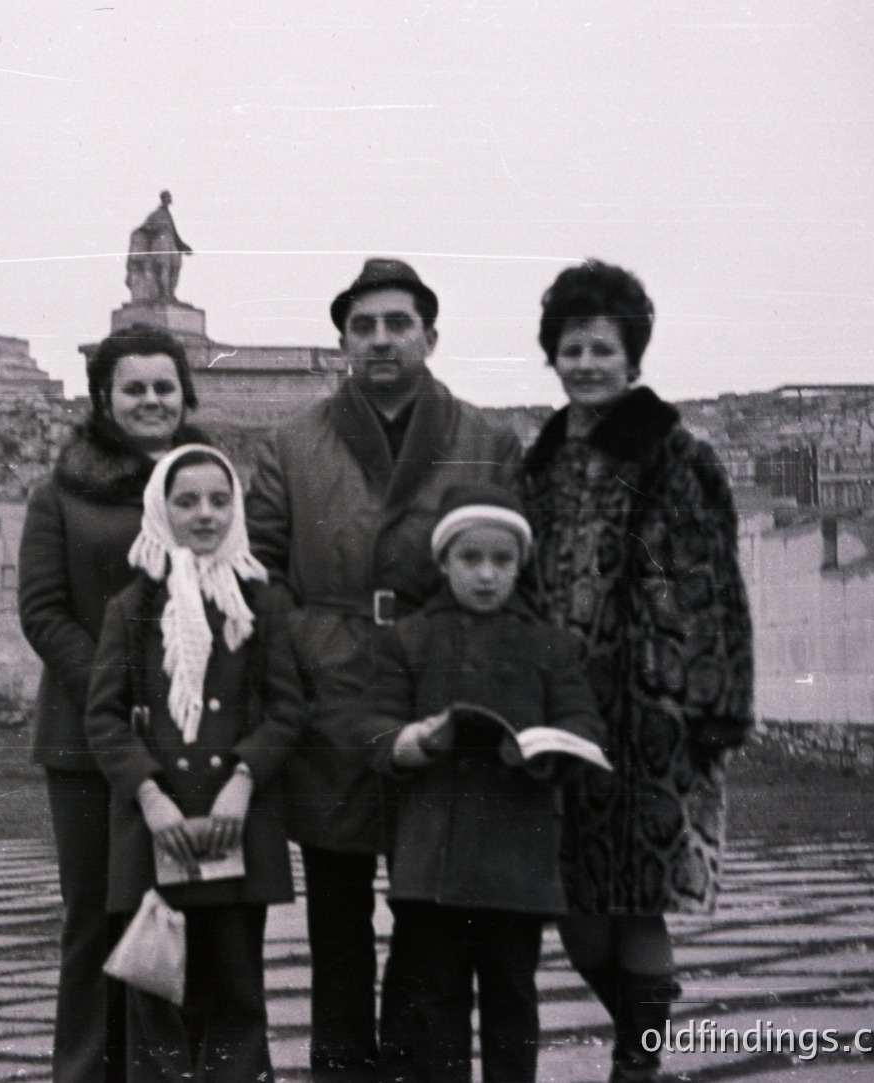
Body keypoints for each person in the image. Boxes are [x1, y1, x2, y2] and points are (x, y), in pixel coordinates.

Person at [246, 258, 524, 1082]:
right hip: (327, 693)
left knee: (429, 909)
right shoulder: (292, 444)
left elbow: (512, 571)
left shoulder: (484, 440)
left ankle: (417, 1068)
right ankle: (340, 1067)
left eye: (397, 323)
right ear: (341, 341)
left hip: (436, 694)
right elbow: (258, 570)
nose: (379, 339)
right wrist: (304, 646)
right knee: (335, 912)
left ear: (429, 335)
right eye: (362, 326)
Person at [520, 260, 755, 1083]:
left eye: (602, 349)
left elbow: (699, 584)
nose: (585, 363)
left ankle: (637, 1067)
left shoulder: (670, 455)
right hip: (559, 720)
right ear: (552, 355)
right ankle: (644, 1042)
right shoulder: (540, 462)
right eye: (571, 348)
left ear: (633, 358)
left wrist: (699, 704)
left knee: (637, 898)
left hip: (649, 712)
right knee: (579, 912)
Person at [357, 484, 608, 1083]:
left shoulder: (548, 644)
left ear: (522, 565)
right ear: (444, 563)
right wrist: (415, 739)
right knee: (435, 1006)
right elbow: (370, 727)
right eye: (471, 560)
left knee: (512, 1002)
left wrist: (544, 750)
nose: (488, 575)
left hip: (516, 861)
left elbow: (583, 725)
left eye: (503, 561)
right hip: (431, 862)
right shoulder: (409, 638)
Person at [18, 324, 209, 1083]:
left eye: (164, 386)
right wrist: (114, 691)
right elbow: (43, 611)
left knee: (180, 917)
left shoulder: (207, 486)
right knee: (97, 919)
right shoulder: (60, 493)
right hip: (88, 743)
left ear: (184, 393)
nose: (151, 400)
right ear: (104, 397)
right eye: (133, 387)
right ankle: (87, 1071)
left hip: (191, 740)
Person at [86, 444, 304, 1083]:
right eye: (186, 501)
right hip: (159, 833)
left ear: (235, 508)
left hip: (235, 826)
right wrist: (150, 799)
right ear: (161, 509)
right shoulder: (132, 609)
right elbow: (103, 716)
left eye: (218, 500)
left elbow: (286, 709)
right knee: (157, 997)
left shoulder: (260, 604)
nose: (204, 515)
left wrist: (243, 780)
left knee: (237, 995)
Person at [127, 191, 194, 303]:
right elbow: (145, 228)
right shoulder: (155, 214)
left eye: (169, 197)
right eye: (166, 197)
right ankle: (164, 293)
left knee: (175, 267)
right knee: (164, 267)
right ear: (162, 199)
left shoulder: (168, 214)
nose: (168, 199)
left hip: (170, 244)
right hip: (160, 243)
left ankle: (170, 293)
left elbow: (174, 234)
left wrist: (184, 246)